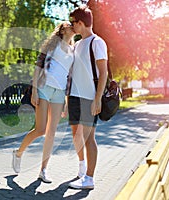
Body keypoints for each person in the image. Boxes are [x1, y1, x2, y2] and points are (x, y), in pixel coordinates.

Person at [12, 22, 75, 183]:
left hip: (59, 93)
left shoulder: (73, 51)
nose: (73, 27)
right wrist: (34, 90)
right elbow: (38, 67)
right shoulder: (53, 45)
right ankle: (18, 153)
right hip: (44, 88)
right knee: (40, 129)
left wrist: (66, 101)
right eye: (70, 25)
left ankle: (43, 170)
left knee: (51, 132)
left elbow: (69, 78)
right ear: (63, 29)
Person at [67, 5, 108, 189]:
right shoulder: (76, 44)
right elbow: (72, 73)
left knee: (89, 138)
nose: (71, 26)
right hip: (75, 96)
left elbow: (103, 72)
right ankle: (82, 169)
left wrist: (97, 98)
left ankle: (89, 179)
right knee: (76, 135)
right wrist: (68, 100)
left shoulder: (97, 42)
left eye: (73, 23)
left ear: (81, 23)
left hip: (89, 98)